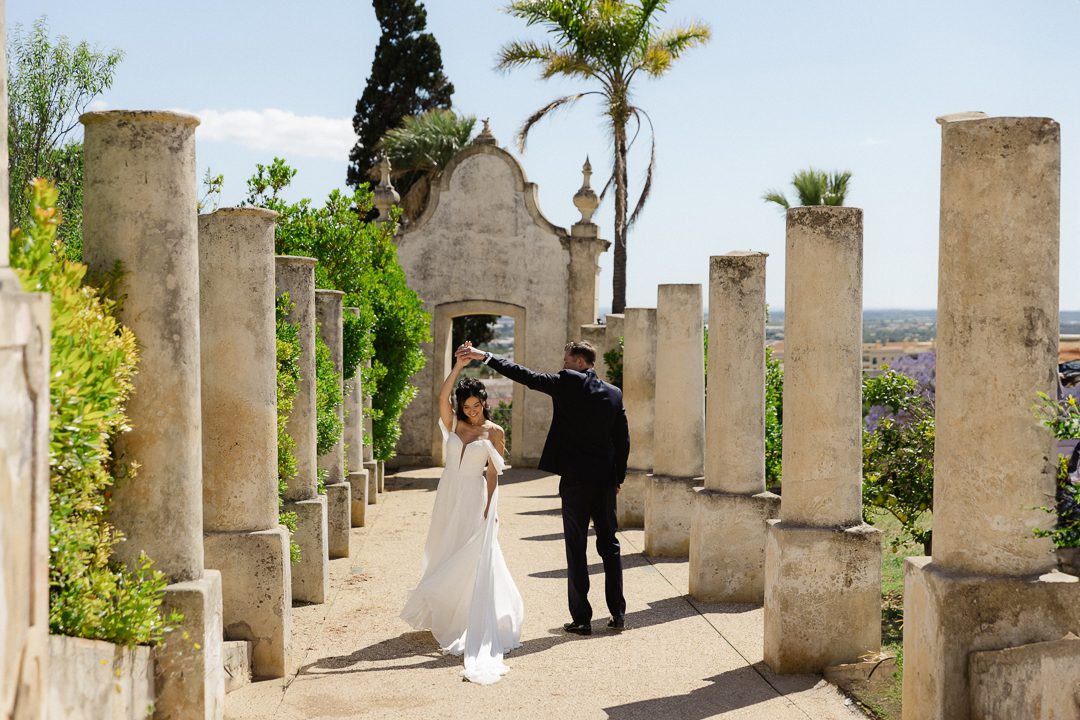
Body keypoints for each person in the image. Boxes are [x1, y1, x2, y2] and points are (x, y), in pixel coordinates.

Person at [456, 340, 629, 636]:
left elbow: (524, 374)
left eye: (565, 359)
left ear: (578, 361)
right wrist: (618, 479)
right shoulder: (614, 393)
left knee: (576, 548)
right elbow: (623, 440)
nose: (562, 364)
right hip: (604, 480)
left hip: (575, 479)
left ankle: (583, 619)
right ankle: (618, 613)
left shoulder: (566, 382)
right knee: (609, 545)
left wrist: (485, 356)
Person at [400, 353, 523, 684]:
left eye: (476, 405)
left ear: (484, 401)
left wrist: (491, 509)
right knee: (444, 549)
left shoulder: (494, 432)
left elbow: (495, 474)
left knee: (471, 556)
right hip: (448, 494)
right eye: (467, 406)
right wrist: (458, 367)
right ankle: (446, 610)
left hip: (474, 496)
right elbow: (441, 397)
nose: (472, 411)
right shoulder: (453, 423)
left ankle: (469, 615)